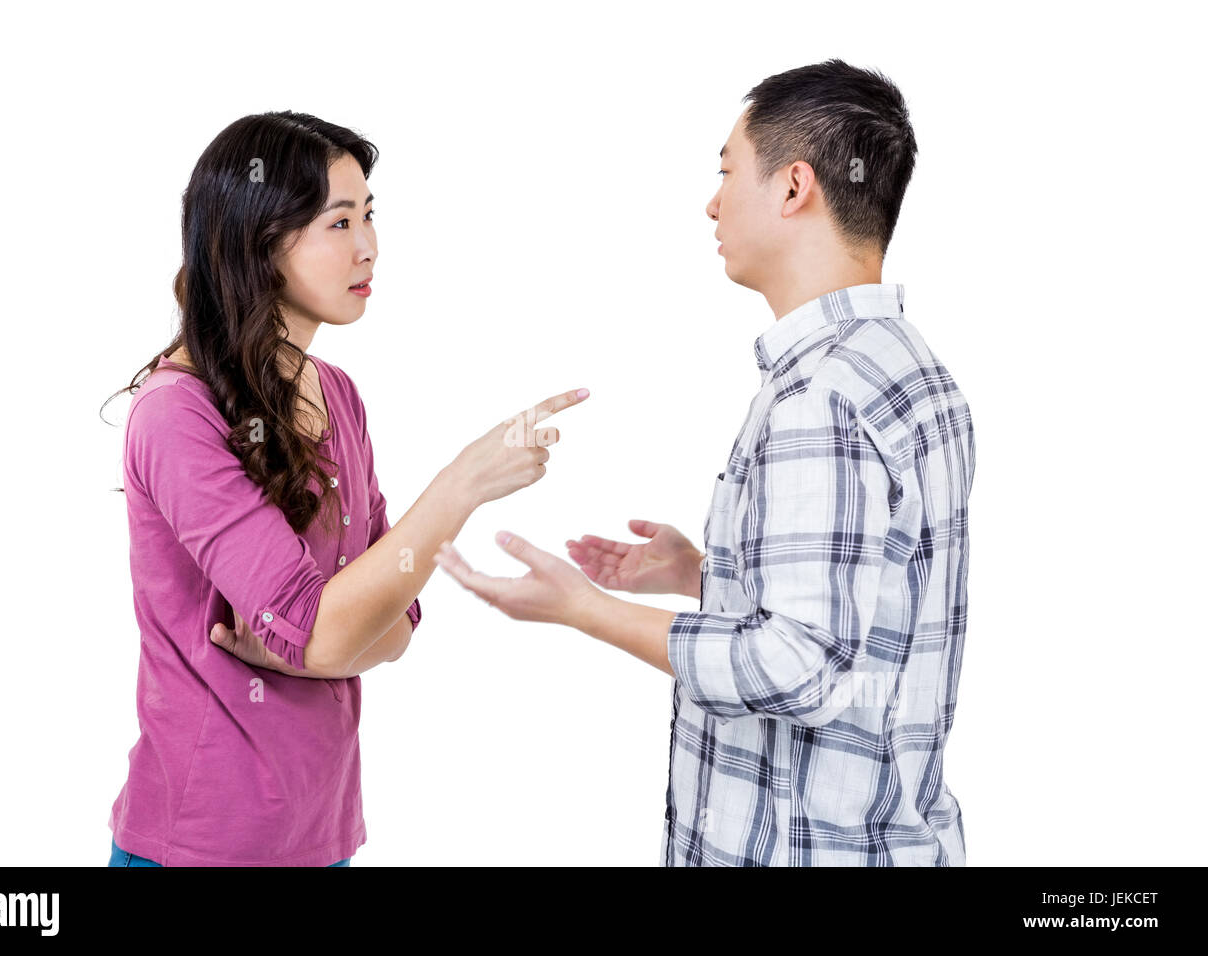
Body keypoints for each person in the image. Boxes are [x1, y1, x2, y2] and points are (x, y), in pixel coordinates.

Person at [433, 59, 975, 866]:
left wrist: (584, 609)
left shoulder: (818, 398)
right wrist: (710, 577)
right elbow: (868, 610)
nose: (713, 201)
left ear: (794, 187)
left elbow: (800, 672)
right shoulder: (908, 369)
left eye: (727, 171)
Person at [101, 111, 588, 866]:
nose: (369, 246)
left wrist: (311, 647)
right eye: (338, 222)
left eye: (369, 215)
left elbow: (395, 625)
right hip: (203, 844)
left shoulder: (338, 393)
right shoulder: (176, 413)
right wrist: (461, 484)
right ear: (260, 242)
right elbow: (334, 625)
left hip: (323, 833)